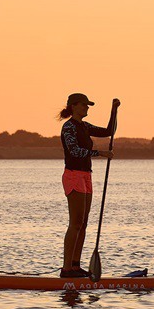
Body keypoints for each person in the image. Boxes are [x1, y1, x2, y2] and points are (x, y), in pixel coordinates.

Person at [58, 93, 120, 278]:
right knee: (75, 223)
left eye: (88, 106)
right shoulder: (68, 127)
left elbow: (109, 131)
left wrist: (114, 111)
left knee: (83, 224)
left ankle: (76, 267)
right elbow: (74, 151)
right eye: (84, 105)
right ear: (74, 106)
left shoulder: (85, 126)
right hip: (73, 175)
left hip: (86, 176)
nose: (87, 108)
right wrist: (99, 153)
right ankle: (66, 268)